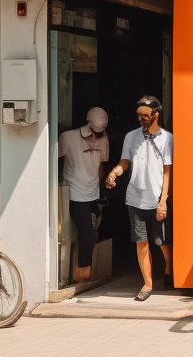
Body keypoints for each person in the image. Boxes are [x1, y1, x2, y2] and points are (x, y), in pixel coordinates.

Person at [106, 95, 173, 301]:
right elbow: (125, 161)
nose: (142, 119)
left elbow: (167, 171)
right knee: (141, 241)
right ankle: (147, 283)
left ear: (156, 114)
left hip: (156, 197)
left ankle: (169, 271)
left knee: (161, 241)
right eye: (139, 116)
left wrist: (163, 201)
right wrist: (115, 171)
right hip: (135, 196)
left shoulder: (166, 138)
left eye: (146, 116)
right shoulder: (131, 136)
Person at [57, 107, 110, 282]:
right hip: (75, 193)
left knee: (92, 234)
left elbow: (102, 164)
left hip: (94, 193)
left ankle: (83, 273)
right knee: (85, 233)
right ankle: (81, 275)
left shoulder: (104, 139)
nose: (97, 136)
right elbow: (53, 161)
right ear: (88, 123)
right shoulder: (68, 137)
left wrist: (102, 185)